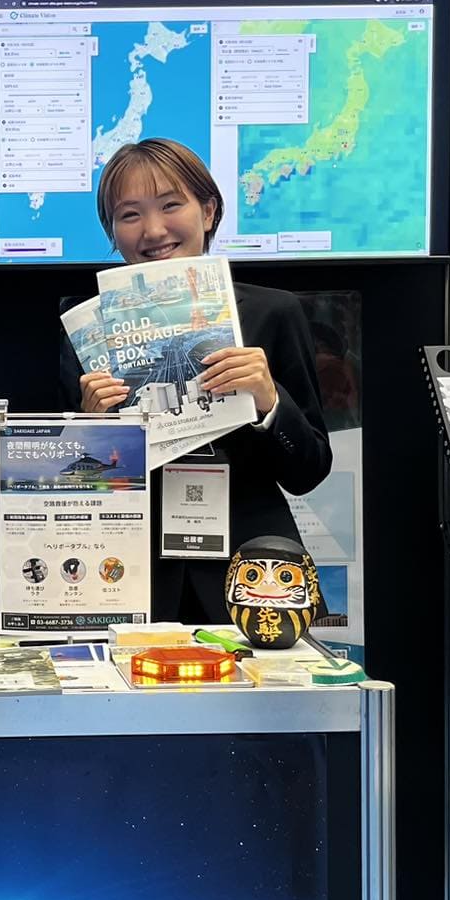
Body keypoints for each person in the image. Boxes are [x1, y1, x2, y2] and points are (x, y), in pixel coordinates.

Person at [61, 137, 331, 623]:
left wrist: (269, 401)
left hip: (253, 575)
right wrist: (91, 427)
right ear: (113, 232)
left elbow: (308, 470)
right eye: (129, 215)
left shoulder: (273, 313)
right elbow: (75, 486)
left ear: (208, 212)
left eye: (171, 206)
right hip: (129, 574)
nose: (153, 230)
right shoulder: (86, 330)